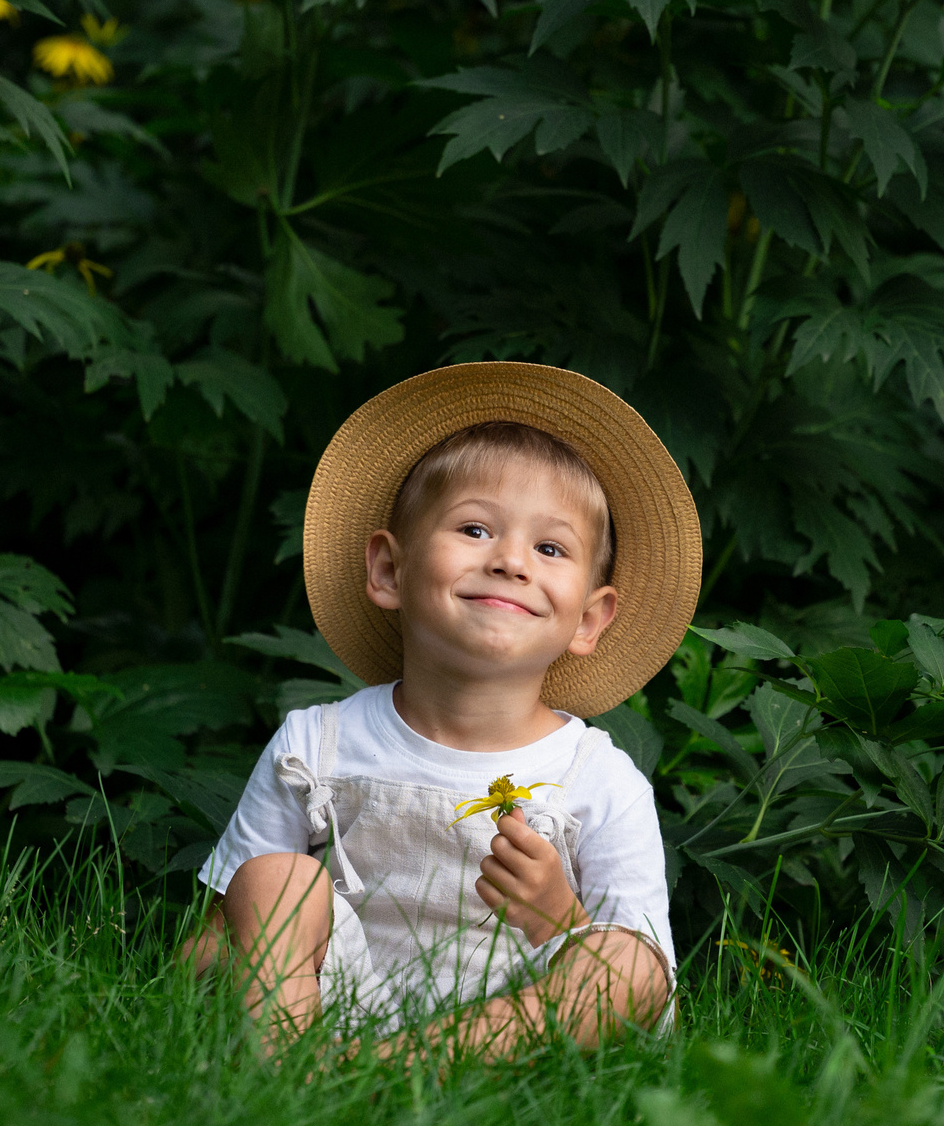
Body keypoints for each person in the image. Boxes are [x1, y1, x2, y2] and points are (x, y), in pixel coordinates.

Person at [182, 362, 700, 1061]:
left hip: (514, 1023)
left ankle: (378, 1071)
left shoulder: (596, 779)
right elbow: (221, 933)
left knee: (627, 961)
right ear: (390, 571)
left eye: (550, 548)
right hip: (336, 999)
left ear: (589, 618)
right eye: (476, 529)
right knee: (274, 876)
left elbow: (646, 992)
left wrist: (560, 920)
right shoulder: (319, 744)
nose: (512, 561)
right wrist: (221, 956)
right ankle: (287, 1058)